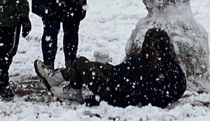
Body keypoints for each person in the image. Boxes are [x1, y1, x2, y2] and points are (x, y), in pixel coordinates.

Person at [34, 28, 187, 108]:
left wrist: (97, 99)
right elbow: (177, 89)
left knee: (81, 62)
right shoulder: (172, 68)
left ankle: (71, 86)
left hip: (112, 90)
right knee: (97, 66)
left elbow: (117, 76)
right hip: (125, 87)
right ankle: (58, 77)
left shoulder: (141, 64)